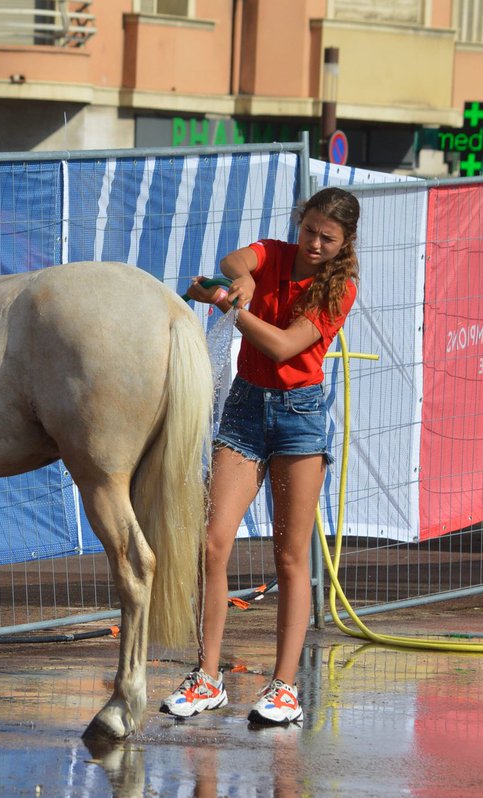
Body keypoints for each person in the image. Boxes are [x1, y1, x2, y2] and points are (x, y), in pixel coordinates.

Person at [162, 187, 360, 725]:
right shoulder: (274, 252)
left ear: (344, 245)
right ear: (300, 223)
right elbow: (233, 261)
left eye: (328, 238)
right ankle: (207, 677)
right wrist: (240, 278)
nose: (314, 243)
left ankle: (284, 688)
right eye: (310, 229)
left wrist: (227, 301)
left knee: (291, 558)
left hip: (300, 418)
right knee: (212, 542)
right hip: (246, 409)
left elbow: (281, 346)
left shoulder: (338, 289)